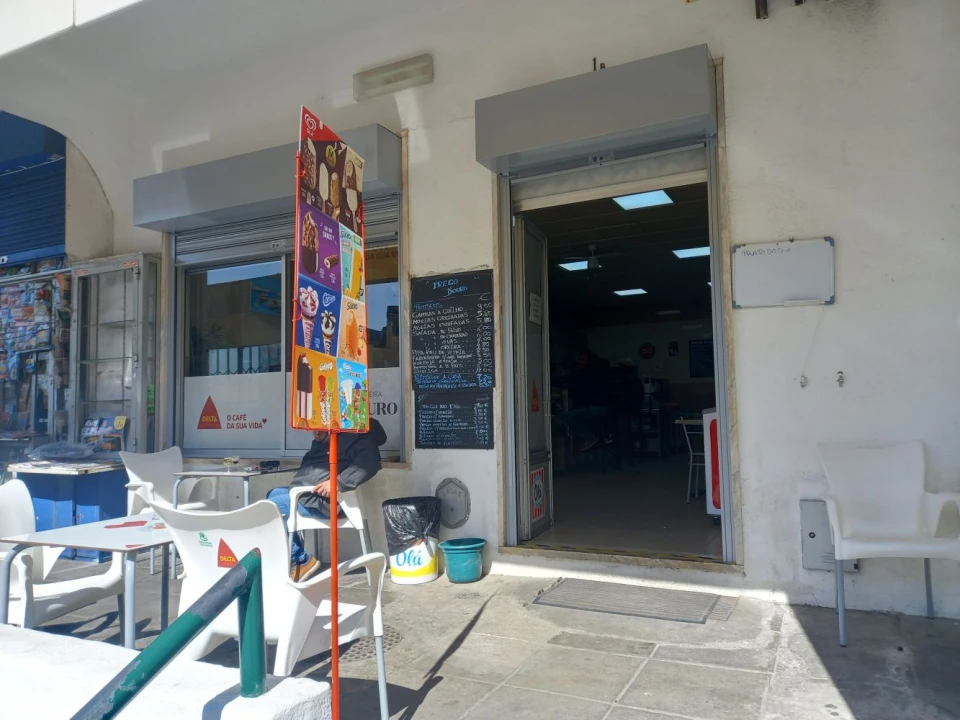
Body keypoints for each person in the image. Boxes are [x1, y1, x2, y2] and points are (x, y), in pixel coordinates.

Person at [266, 419, 387, 581]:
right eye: (314, 429)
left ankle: (301, 560)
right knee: (272, 495)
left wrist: (338, 483)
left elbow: (370, 463)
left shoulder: (359, 440)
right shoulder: (327, 443)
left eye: (320, 429)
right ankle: (298, 560)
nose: (315, 433)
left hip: (325, 502)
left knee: (271, 506)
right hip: (308, 495)